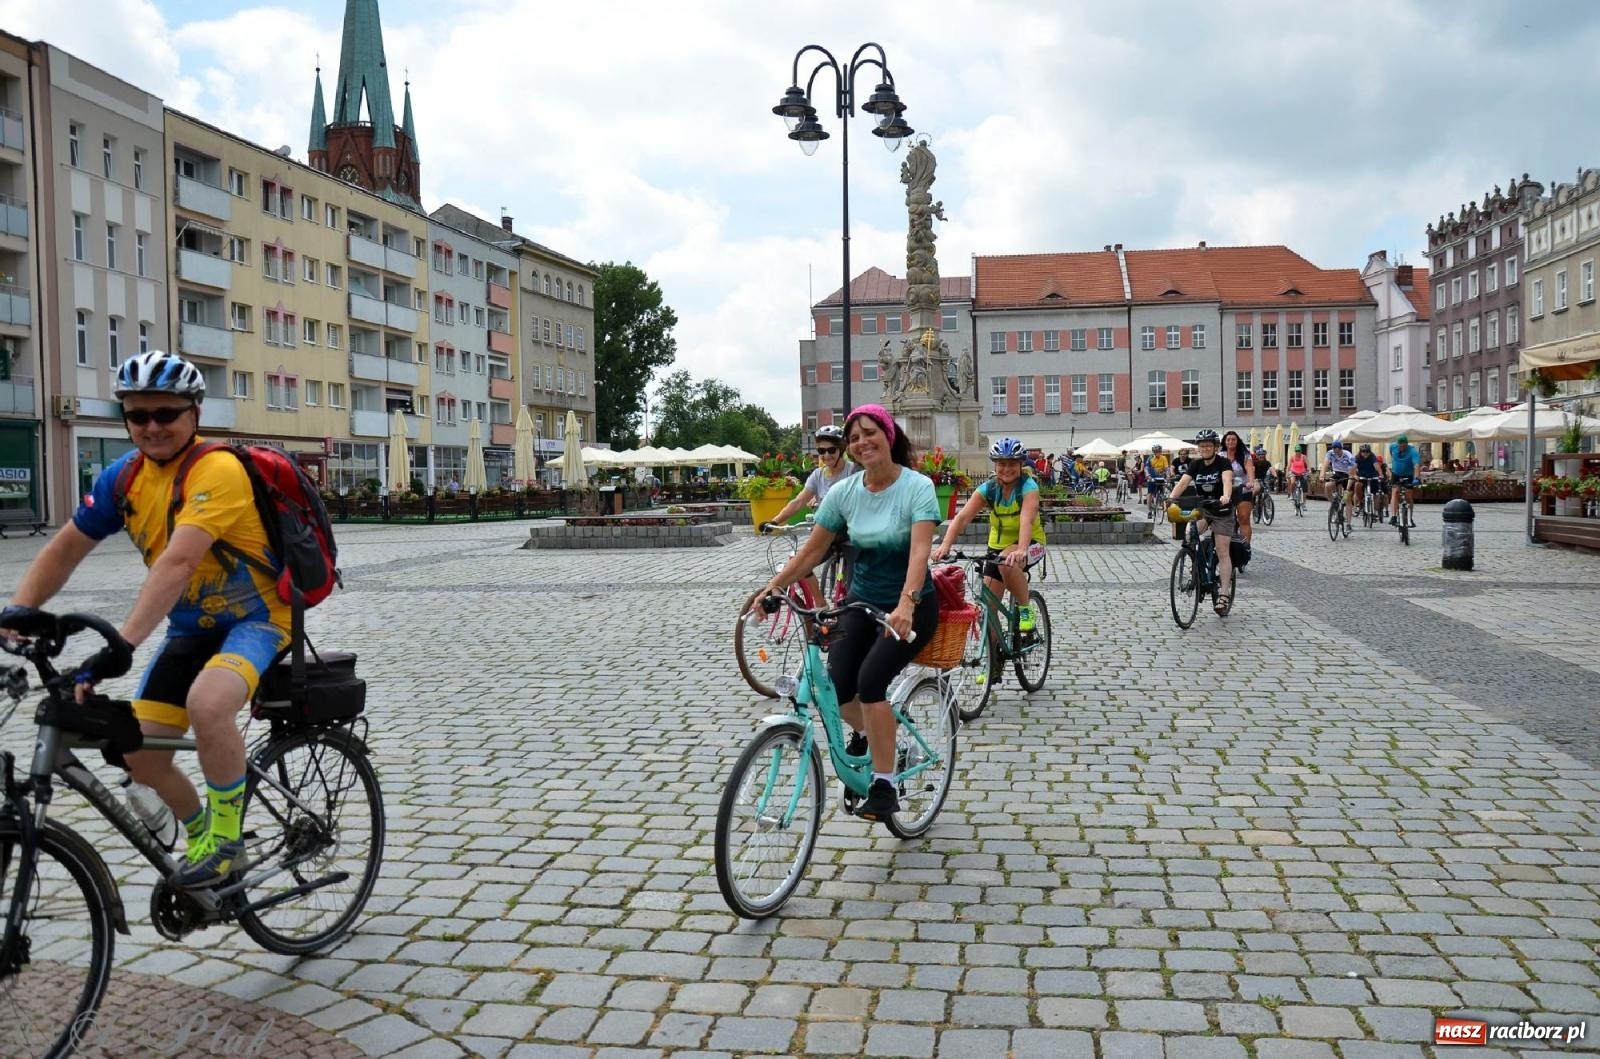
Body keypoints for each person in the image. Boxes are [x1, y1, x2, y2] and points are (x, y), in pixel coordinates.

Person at [2, 351, 288, 889]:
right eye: (138, 416)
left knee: (209, 703)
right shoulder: (124, 477)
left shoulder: (217, 469)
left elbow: (179, 562)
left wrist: (122, 645)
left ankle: (227, 843)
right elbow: (65, 548)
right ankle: (203, 837)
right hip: (190, 629)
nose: (152, 427)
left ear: (194, 414)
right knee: (139, 750)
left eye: (166, 414)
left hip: (258, 618)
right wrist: (20, 610)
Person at [762, 404, 940, 824]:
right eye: (854, 437)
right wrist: (773, 587)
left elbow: (919, 552)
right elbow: (812, 550)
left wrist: (907, 605)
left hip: (911, 606)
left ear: (889, 435)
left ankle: (884, 781)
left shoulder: (918, 487)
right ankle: (880, 735)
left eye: (869, 432)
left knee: (871, 680)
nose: (862, 442)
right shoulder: (845, 491)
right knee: (838, 687)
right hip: (862, 601)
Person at [936, 436, 1047, 633]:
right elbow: (962, 518)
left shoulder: (1028, 488)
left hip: (1030, 543)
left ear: (1021, 464)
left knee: (1008, 561)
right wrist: (945, 545)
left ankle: (1025, 609)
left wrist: (1021, 549)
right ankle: (994, 659)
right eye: (1002, 464)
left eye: (1012, 464)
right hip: (996, 547)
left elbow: (1026, 520)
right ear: (995, 465)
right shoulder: (989, 488)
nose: (1007, 469)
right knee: (987, 610)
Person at [762, 425, 861, 604]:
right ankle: (820, 604)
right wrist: (774, 521)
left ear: (841, 449)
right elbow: (799, 502)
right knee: (799, 565)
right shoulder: (818, 475)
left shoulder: (853, 471)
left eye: (831, 450)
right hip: (825, 534)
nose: (826, 455)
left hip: (851, 535)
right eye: (821, 451)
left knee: (855, 590)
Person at [1168, 428, 1237, 615]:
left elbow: (1227, 480)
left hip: (1222, 510)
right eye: (1202, 445)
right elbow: (1183, 483)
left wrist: (1225, 496)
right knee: (1191, 535)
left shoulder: (1223, 463)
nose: (1205, 448)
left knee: (1222, 551)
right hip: (1204, 510)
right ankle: (1195, 570)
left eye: (1208, 445)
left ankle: (1223, 593)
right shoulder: (1196, 465)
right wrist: (1171, 498)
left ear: (1215, 447)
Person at [1220, 431, 1257, 546]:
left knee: (1244, 517)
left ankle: (1245, 547)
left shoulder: (1244, 454)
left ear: (1237, 441)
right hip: (1226, 490)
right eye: (1228, 440)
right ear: (1225, 442)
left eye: (1233, 439)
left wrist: (1251, 481)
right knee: (1223, 519)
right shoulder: (1220, 455)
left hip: (1243, 489)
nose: (1231, 442)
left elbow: (1249, 468)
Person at [1388, 434, 1422, 528]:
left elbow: (1416, 465)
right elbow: (1392, 454)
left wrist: (1416, 478)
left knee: (1408, 496)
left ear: (1407, 444)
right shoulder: (1392, 446)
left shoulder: (1413, 451)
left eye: (1404, 446)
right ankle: (1394, 516)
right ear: (1397, 444)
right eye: (1400, 446)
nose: (1401, 448)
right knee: (1395, 492)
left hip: (1409, 475)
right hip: (1396, 474)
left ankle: (1410, 518)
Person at [1323, 440, 1358, 511]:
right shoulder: (1330, 453)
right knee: (1327, 486)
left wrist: (1347, 490)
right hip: (1337, 472)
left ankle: (1346, 505)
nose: (1336, 451)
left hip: (1347, 474)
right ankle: (1333, 504)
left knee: (1347, 495)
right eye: (1334, 449)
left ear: (1341, 448)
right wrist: (1322, 476)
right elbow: (1325, 465)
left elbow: (1352, 474)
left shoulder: (1349, 456)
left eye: (1338, 449)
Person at [1353, 444, 1382, 518]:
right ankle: (1361, 502)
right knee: (1357, 485)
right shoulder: (1357, 457)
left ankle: (1375, 512)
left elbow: (1376, 466)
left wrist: (1381, 474)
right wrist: (1354, 475)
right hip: (1362, 477)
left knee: (1376, 494)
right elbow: (1354, 467)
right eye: (1363, 451)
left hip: (1372, 476)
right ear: (1360, 452)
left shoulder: (1372, 456)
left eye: (1367, 451)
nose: (1365, 453)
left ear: (1370, 451)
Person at [1144, 444, 1171, 509]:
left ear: (1161, 451)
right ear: (1153, 451)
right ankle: (1149, 509)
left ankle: (1161, 504)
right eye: (1155, 451)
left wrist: (1168, 475)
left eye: (1159, 451)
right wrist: (1147, 474)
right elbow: (1146, 468)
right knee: (1150, 493)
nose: (1157, 452)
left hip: (1161, 476)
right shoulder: (1150, 458)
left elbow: (1166, 468)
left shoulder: (1164, 458)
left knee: (1162, 491)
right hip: (1152, 477)